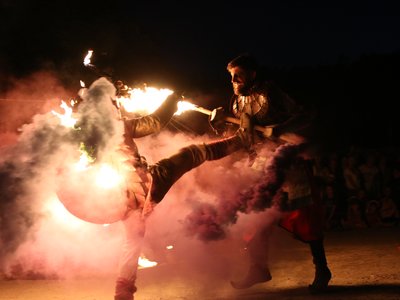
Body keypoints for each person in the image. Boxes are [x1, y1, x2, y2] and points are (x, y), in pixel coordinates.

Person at [105, 80, 252, 300]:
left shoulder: (85, 133)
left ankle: (123, 293)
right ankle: (242, 139)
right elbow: (155, 122)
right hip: (144, 183)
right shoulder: (117, 126)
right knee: (192, 154)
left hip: (118, 198)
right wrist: (173, 99)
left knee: (132, 240)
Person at [209, 53, 331, 293]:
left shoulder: (272, 92)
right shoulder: (236, 102)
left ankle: (322, 269)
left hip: (288, 161)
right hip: (260, 163)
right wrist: (219, 124)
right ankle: (258, 268)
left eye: (239, 76)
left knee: (303, 216)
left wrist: (281, 128)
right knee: (253, 215)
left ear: (253, 74)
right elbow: (242, 138)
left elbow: (307, 114)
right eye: (231, 77)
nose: (234, 81)